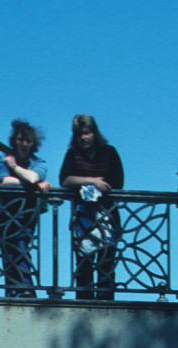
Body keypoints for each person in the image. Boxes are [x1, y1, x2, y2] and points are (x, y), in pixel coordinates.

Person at [58, 114, 125, 301]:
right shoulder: (73, 154)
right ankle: (84, 300)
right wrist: (91, 181)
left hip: (107, 214)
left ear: (95, 133)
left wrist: (101, 189)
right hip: (83, 215)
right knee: (84, 263)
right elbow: (64, 179)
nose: (84, 138)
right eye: (80, 134)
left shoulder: (110, 152)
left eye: (87, 133)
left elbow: (118, 182)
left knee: (106, 262)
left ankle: (106, 300)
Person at [0, 119, 51, 299]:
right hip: (5, 210)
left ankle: (25, 289)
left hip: (27, 212)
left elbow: (34, 177)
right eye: (20, 140)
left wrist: (14, 168)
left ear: (33, 144)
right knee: (8, 249)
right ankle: (14, 290)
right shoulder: (3, 158)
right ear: (14, 141)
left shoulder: (39, 163)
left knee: (22, 246)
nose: (23, 144)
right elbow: (4, 182)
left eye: (28, 141)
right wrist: (30, 183)